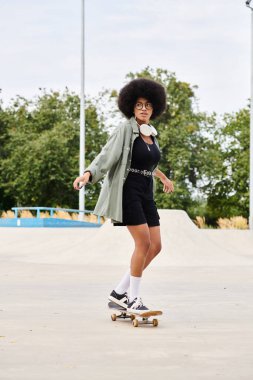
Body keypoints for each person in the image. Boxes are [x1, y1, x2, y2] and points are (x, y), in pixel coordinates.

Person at [73, 78, 174, 314]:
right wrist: (88, 174)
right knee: (143, 242)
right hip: (128, 191)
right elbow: (107, 155)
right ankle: (133, 298)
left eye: (148, 105)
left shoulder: (150, 134)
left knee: (156, 246)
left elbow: (145, 162)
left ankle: (119, 292)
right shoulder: (125, 129)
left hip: (146, 191)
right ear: (131, 106)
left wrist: (162, 177)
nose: (143, 109)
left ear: (154, 108)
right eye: (139, 104)